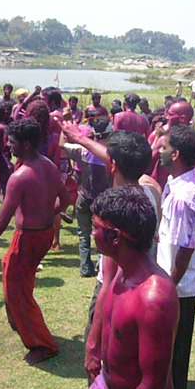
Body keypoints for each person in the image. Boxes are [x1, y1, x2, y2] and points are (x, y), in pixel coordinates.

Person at [58, 126, 162, 383]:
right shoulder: (150, 190)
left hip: (116, 294)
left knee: (106, 372)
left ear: (113, 165)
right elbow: (115, 159)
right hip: (141, 288)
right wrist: (81, 139)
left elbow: (109, 280)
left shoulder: (115, 210)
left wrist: (93, 345)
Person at [0, 118, 69, 365]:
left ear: (27, 144)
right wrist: (50, 213)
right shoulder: (48, 165)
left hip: (28, 238)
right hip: (44, 234)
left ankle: (44, 345)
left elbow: (1, 221)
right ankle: (18, 320)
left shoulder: (19, 177)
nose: (7, 145)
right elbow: (66, 198)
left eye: (12, 142)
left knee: (18, 292)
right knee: (16, 276)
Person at [80, 187, 178, 389]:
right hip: (107, 388)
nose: (92, 233)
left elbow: (153, 384)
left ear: (115, 236)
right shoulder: (122, 267)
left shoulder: (154, 299)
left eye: (96, 227)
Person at [156, 124, 195, 389]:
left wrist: (169, 285)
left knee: (174, 351)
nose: (159, 152)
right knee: (174, 348)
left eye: (163, 148)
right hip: (177, 282)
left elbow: (186, 247)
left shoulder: (183, 196)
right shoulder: (183, 183)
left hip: (178, 288)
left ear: (175, 154)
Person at [62, 118, 112, 277]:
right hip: (104, 201)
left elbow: (61, 145)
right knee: (104, 235)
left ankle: (85, 267)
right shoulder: (111, 156)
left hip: (84, 196)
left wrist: (64, 125)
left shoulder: (82, 150)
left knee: (83, 234)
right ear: (109, 134)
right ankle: (102, 266)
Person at [150, 100, 194, 189]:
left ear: (182, 118)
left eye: (170, 114)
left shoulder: (163, 138)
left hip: (167, 186)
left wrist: (158, 140)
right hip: (171, 185)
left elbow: (148, 161)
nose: (166, 117)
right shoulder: (193, 139)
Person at [0, 104, 14, 195]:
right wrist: (8, 162)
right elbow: (5, 146)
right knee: (6, 184)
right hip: (2, 159)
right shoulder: (3, 127)